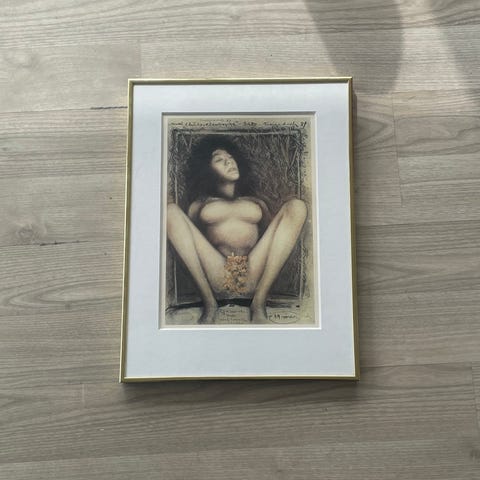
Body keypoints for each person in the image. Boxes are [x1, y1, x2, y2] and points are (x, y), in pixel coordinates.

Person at [167, 135, 307, 324]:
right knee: (170, 211)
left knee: (297, 206)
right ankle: (209, 303)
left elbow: (274, 237)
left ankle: (259, 303)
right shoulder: (200, 204)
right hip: (217, 275)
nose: (229, 162)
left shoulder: (256, 202)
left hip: (253, 274)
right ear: (207, 169)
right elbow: (190, 244)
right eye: (219, 160)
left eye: (230, 157)